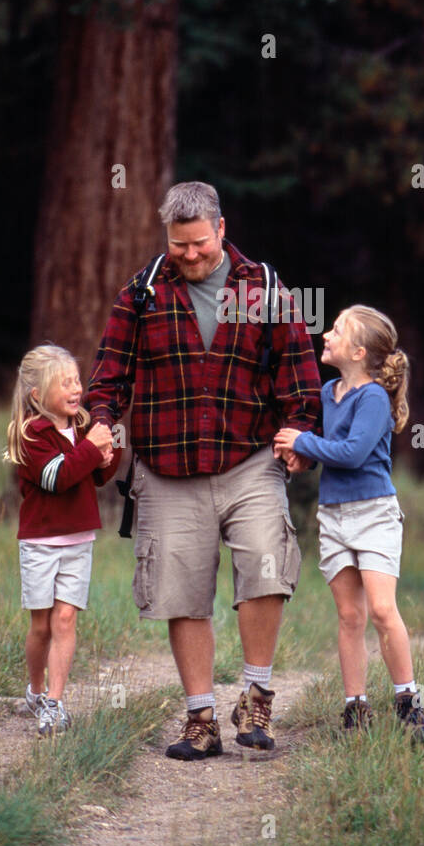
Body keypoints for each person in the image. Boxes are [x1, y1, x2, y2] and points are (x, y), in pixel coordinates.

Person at [87, 181, 321, 760]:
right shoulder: (140, 294)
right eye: (177, 245)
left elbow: (299, 376)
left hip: (248, 460)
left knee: (268, 568)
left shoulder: (264, 289)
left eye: (197, 244)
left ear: (220, 229)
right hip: (167, 467)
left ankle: (256, 696)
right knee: (182, 592)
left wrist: (299, 434)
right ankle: (201, 719)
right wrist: (100, 421)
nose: (188, 255)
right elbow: (109, 376)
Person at [274, 306, 424, 739]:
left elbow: (353, 452)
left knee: (382, 609)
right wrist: (301, 454)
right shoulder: (329, 393)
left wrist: (305, 440)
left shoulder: (374, 398)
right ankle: (355, 707)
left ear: (359, 351)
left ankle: (408, 703)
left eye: (337, 330)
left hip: (374, 513)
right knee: (348, 615)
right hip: (334, 515)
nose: (326, 334)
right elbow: (329, 449)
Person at [5, 344, 121, 737]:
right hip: (40, 542)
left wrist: (107, 456)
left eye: (77, 380)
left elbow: (95, 476)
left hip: (79, 540)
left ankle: (53, 703)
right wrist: (90, 451)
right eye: (64, 383)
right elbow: (58, 477)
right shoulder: (32, 435)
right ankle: (35, 690)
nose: (76, 389)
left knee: (66, 619)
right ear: (38, 396)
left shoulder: (82, 429)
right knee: (41, 626)